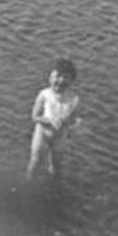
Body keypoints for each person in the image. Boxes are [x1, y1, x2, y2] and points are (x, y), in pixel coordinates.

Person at [25, 58, 79, 189]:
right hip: (42, 132)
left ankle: (55, 187)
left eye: (65, 77)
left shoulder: (74, 100)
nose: (60, 80)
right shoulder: (44, 95)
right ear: (49, 77)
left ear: (72, 81)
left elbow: (74, 118)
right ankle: (28, 184)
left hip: (60, 135)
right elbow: (35, 116)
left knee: (57, 164)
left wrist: (74, 125)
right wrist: (49, 120)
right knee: (36, 160)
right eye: (57, 76)